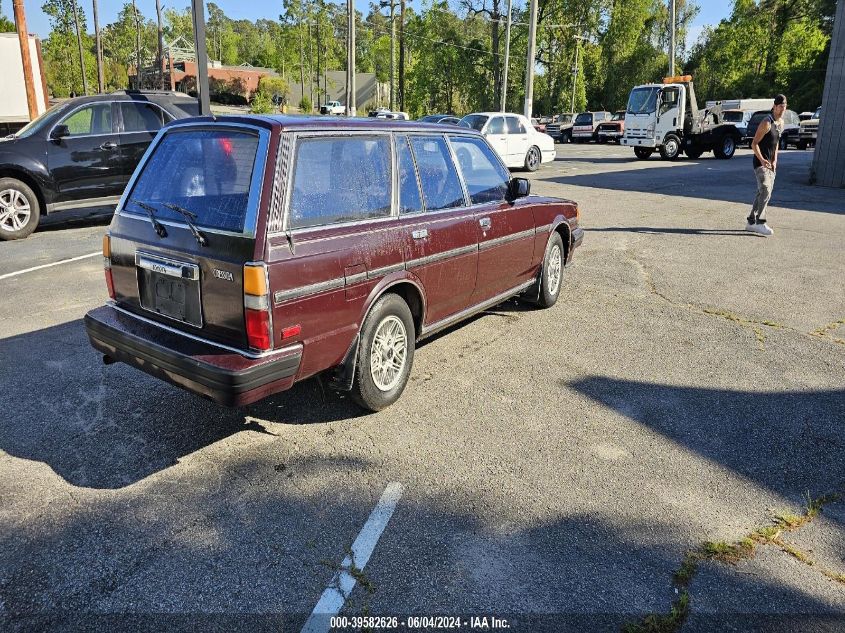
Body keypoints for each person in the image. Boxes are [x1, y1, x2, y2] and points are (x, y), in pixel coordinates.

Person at [747, 94, 787, 236]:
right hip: (760, 162)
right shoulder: (766, 122)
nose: (783, 109)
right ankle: (760, 222)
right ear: (775, 107)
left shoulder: (780, 123)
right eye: (780, 106)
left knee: (762, 193)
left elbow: (775, 144)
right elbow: (754, 143)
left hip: (771, 164)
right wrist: (763, 160)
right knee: (765, 189)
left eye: (784, 107)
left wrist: (775, 160)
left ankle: (751, 222)